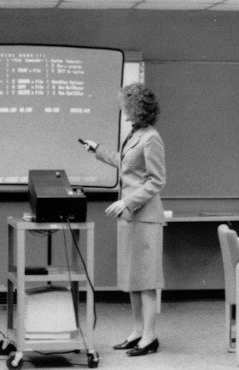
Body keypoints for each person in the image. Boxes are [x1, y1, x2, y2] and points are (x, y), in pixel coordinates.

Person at [81, 82, 165, 357]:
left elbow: (157, 181)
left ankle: (150, 337)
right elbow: (124, 162)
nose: (122, 109)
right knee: (132, 278)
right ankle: (138, 331)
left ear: (137, 107)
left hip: (145, 218)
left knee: (146, 280)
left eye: (125, 105)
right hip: (130, 218)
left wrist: (127, 201)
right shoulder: (135, 134)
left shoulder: (151, 138)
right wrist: (97, 149)